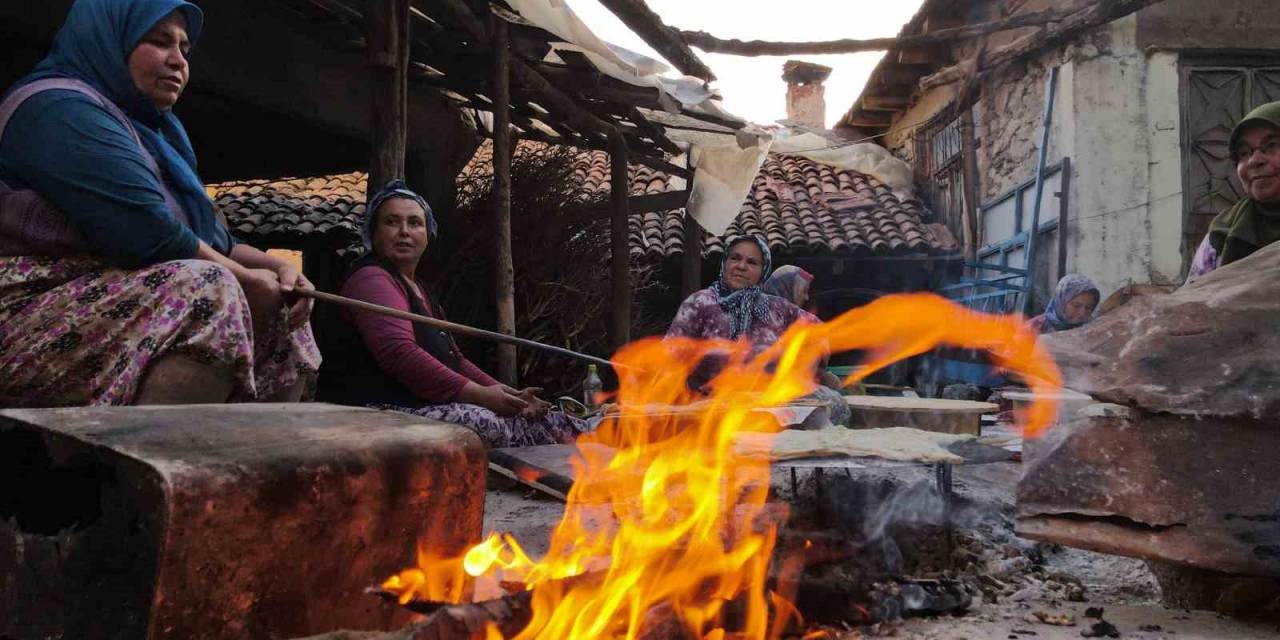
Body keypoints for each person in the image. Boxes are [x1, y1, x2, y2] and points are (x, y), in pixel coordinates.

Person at [0, 0, 319, 406]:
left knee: (285, 308)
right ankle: (156, 466)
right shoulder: (55, 107)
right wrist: (243, 277)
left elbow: (210, 238)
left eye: (185, 49)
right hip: (26, 306)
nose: (179, 61)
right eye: (159, 41)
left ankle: (260, 466)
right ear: (110, 40)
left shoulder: (157, 136)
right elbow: (147, 231)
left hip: (110, 297)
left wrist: (279, 269)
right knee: (210, 288)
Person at [318, 180, 585, 448]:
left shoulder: (422, 291)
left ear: (428, 232)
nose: (404, 232)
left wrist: (512, 397)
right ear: (373, 232)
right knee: (482, 421)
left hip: (415, 406)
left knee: (549, 422)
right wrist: (481, 396)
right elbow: (400, 354)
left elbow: (455, 360)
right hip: (370, 411)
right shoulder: (371, 278)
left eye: (414, 223)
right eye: (391, 222)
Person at [667, 237, 851, 427]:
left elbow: (819, 332)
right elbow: (669, 357)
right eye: (735, 258)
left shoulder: (777, 307)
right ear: (725, 263)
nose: (741, 266)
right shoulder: (700, 303)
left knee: (829, 411)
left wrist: (803, 373)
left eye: (752, 262)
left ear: (763, 270)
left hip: (769, 410)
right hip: (711, 413)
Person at [1187, 101, 1280, 283]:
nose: (1254, 161)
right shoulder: (1221, 235)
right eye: (1244, 153)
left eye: (1272, 145)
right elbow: (1192, 303)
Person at [1028, 274, 1100, 334]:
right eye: (1076, 306)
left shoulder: (1092, 330)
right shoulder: (1032, 329)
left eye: (1088, 308)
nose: (1082, 313)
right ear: (1060, 302)